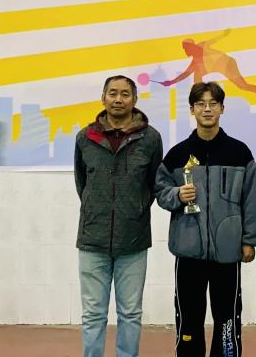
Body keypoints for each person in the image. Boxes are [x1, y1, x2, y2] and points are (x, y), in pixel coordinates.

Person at [155, 82, 256, 357]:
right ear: (192, 109)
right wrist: (177, 195)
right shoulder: (178, 154)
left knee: (227, 318)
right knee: (188, 317)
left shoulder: (239, 152)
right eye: (201, 104)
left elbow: (251, 199)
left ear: (222, 109)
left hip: (228, 251)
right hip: (188, 251)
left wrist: (250, 240)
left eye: (213, 103)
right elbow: (160, 191)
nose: (207, 109)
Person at [74, 75, 163, 357]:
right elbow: (82, 184)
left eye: (125, 94)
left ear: (134, 100)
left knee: (131, 313)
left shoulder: (150, 138)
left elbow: (153, 184)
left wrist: (134, 209)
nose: (118, 99)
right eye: (112, 93)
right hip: (93, 239)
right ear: (103, 98)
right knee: (92, 314)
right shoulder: (85, 138)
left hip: (133, 240)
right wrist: (97, 209)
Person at [162, 28, 256, 105]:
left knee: (243, 86)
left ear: (191, 46)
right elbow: (184, 74)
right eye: (184, 48)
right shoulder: (195, 63)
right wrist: (171, 82)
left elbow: (213, 40)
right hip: (218, 67)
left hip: (228, 64)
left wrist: (224, 34)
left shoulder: (202, 46)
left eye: (186, 48)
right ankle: (201, 99)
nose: (185, 51)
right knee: (197, 76)